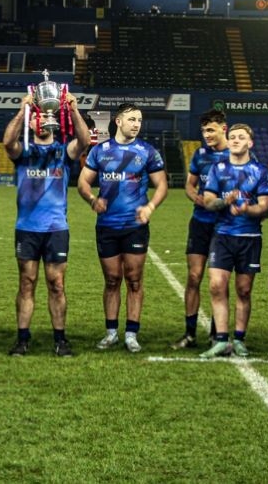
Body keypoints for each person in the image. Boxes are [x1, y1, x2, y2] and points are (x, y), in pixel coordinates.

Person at [3, 92, 90, 357]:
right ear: (31, 123)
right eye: (37, 117)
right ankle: (22, 339)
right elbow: (8, 142)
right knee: (27, 282)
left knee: (57, 283)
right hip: (27, 228)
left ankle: (60, 340)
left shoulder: (62, 152)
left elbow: (84, 141)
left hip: (55, 229)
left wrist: (74, 109)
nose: (42, 121)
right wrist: (22, 110)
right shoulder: (24, 153)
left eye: (47, 116)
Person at [78, 103, 167, 353]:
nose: (136, 124)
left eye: (139, 120)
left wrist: (150, 207)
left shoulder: (147, 151)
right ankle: (110, 333)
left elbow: (162, 185)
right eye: (131, 119)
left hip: (135, 226)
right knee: (112, 279)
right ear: (118, 121)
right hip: (107, 225)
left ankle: (131, 334)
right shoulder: (100, 151)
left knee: (135, 280)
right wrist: (92, 200)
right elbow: (83, 182)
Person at [194, 124, 268, 358]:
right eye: (233, 137)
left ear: (250, 143)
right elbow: (208, 201)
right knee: (217, 285)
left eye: (241, 137)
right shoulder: (218, 169)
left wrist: (248, 209)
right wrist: (224, 201)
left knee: (244, 290)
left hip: (249, 237)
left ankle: (239, 339)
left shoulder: (259, 171)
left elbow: (265, 206)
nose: (236, 140)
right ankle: (220, 340)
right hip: (222, 235)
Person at [174, 109, 229, 350]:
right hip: (200, 222)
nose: (206, 134)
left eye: (211, 130)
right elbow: (190, 184)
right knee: (194, 276)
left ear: (223, 128)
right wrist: (193, 195)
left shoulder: (236, 154)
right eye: (204, 130)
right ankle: (190, 333)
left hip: (224, 225)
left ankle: (218, 333)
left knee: (217, 281)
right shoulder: (200, 154)